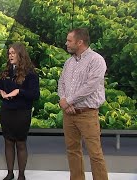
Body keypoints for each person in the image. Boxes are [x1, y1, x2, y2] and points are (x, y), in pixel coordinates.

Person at [58, 28, 108, 180]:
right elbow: (61, 82)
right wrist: (63, 100)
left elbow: (90, 87)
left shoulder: (96, 60)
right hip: (69, 114)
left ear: (80, 42)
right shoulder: (69, 62)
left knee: (95, 153)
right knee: (72, 150)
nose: (66, 43)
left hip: (87, 114)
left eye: (69, 41)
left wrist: (69, 101)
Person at [0, 42, 40, 180]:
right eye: (9, 53)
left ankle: (21, 175)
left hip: (22, 112)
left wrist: (19, 91)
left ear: (21, 54)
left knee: (20, 142)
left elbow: (35, 95)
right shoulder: (6, 71)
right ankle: (10, 173)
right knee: (8, 141)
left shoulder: (31, 73)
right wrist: (1, 91)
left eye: (13, 53)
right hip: (7, 111)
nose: (10, 56)